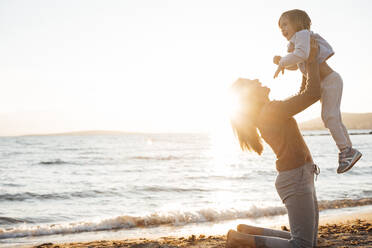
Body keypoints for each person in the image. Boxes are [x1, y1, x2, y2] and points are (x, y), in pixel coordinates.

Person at [226, 39, 320, 248]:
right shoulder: (271, 111)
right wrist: (311, 59)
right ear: (249, 97)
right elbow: (313, 94)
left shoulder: (269, 111)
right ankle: (243, 239)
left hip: (301, 174)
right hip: (296, 178)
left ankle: (250, 231)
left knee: (307, 243)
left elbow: (303, 93)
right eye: (253, 82)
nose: (258, 80)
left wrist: (304, 64)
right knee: (304, 246)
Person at [273, 9, 361, 174]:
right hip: (327, 82)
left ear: (297, 23)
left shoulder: (302, 35)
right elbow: (296, 63)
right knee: (332, 117)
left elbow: (302, 54)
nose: (283, 30)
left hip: (329, 81)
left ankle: (346, 151)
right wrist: (283, 62)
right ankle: (348, 150)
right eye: (280, 28)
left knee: (329, 117)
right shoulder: (297, 42)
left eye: (285, 24)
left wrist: (283, 61)